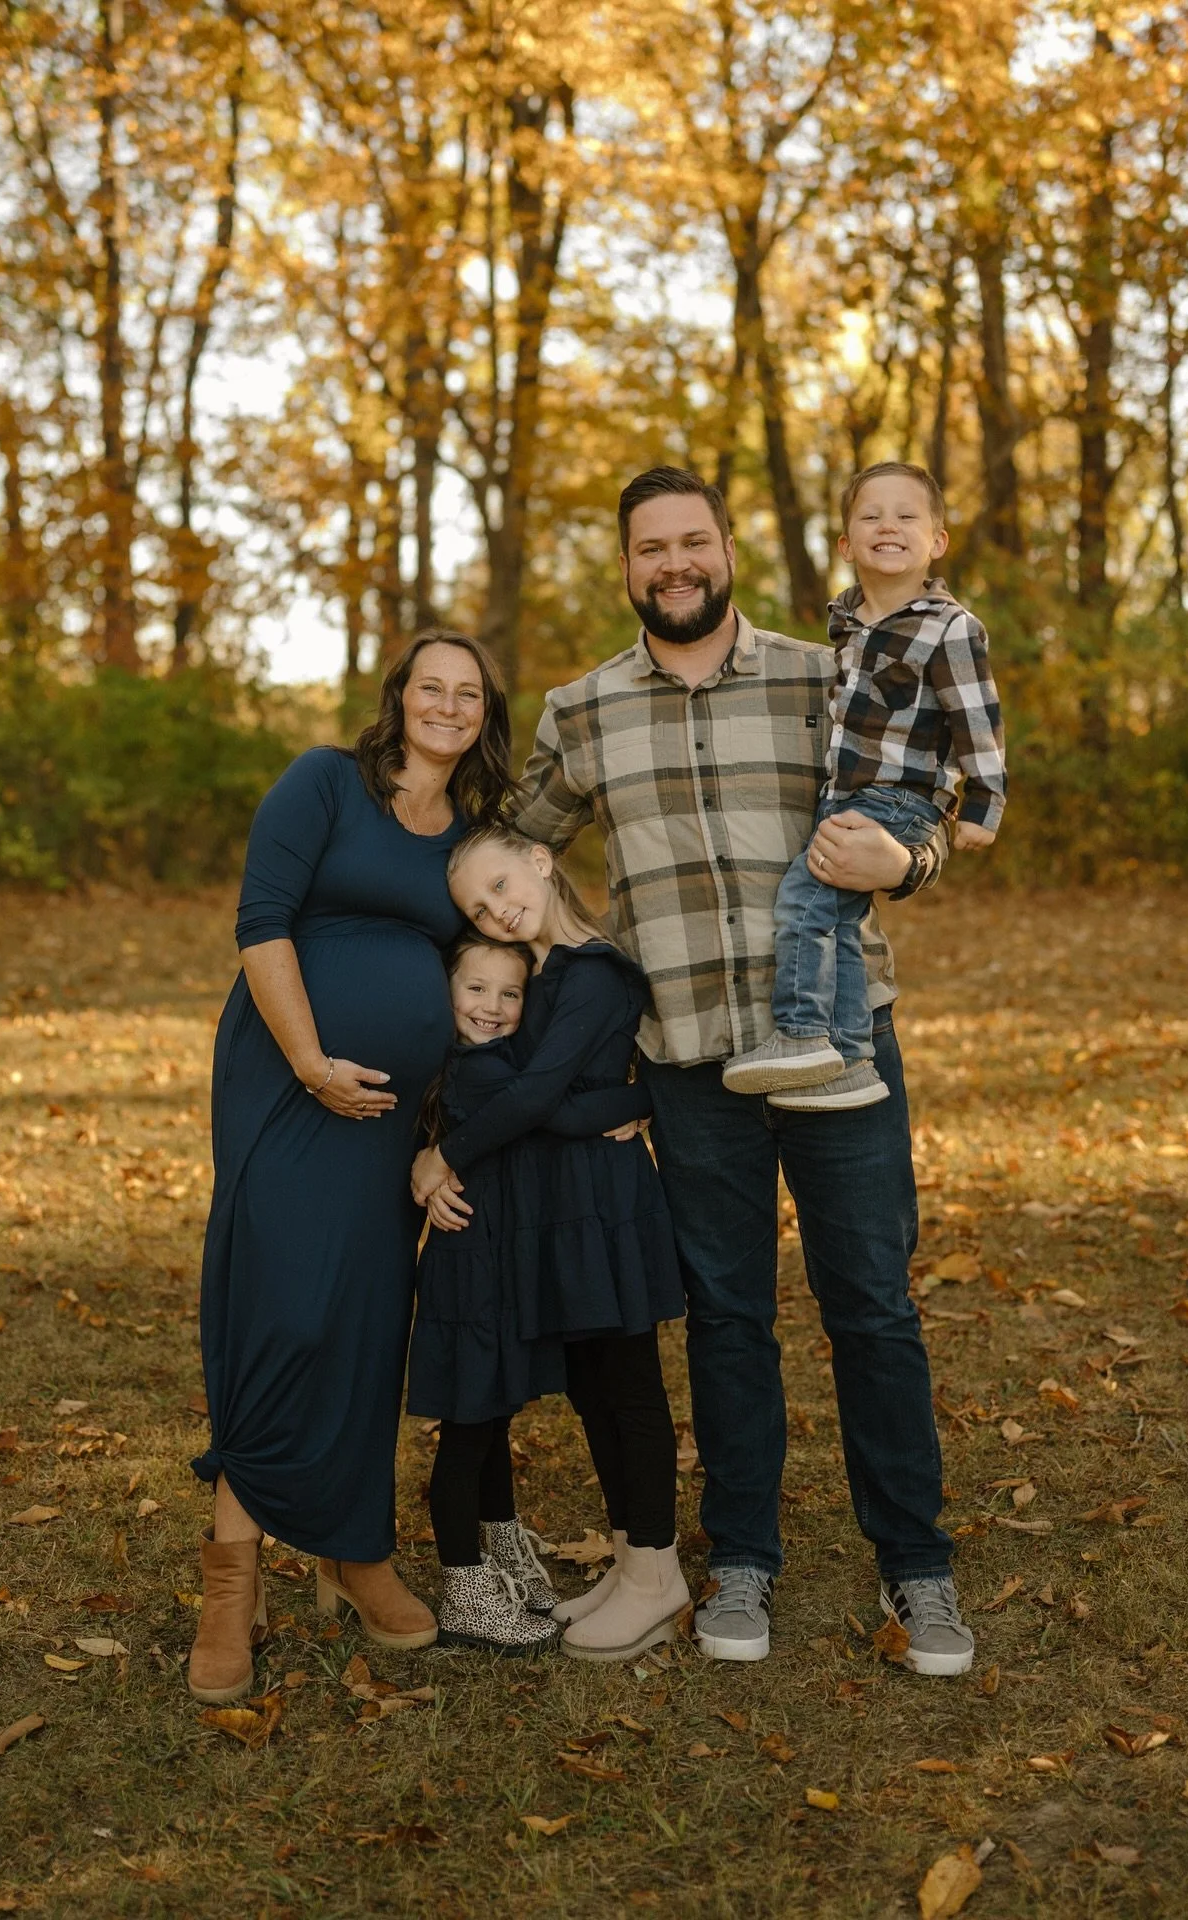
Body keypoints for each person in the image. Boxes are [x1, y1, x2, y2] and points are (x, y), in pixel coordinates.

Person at [516, 467, 973, 1676]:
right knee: (727, 1316)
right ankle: (744, 1562)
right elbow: (514, 853)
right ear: (625, 567)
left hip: (839, 1045)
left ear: (728, 550)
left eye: (694, 542)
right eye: (650, 548)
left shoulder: (824, 673)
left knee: (872, 1305)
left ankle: (916, 1565)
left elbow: (923, 794)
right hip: (687, 1060)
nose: (675, 563)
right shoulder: (581, 710)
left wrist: (907, 864)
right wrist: (583, 950)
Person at [186, 631, 516, 1706]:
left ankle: (351, 1547)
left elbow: (497, 958)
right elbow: (261, 924)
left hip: (387, 1118)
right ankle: (231, 1580)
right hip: (287, 1082)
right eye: (434, 685)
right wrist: (312, 1061)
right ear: (400, 695)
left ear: (481, 716)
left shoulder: (471, 837)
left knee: (373, 1312)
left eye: (469, 694)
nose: (449, 705)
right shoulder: (324, 782)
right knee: (285, 1307)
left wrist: (440, 1124)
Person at [410, 826, 690, 1662]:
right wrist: (619, 1096)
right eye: (478, 908)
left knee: (631, 1386)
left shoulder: (595, 971)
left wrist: (441, 1157)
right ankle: (629, 1558)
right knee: (594, 1389)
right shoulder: (537, 976)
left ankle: (660, 1572)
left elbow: (542, 1100)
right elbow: (533, 1092)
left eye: (501, 882)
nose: (499, 910)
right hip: (556, 1208)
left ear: (538, 856)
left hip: (602, 1208)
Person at [724, 462, 1006, 1110]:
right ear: (846, 544)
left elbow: (977, 717)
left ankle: (800, 1033)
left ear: (937, 540)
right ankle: (849, 1058)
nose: (889, 526)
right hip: (846, 793)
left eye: (907, 516)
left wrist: (982, 807)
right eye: (871, 515)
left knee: (802, 900)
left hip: (898, 798)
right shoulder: (846, 624)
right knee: (842, 923)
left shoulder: (949, 627)